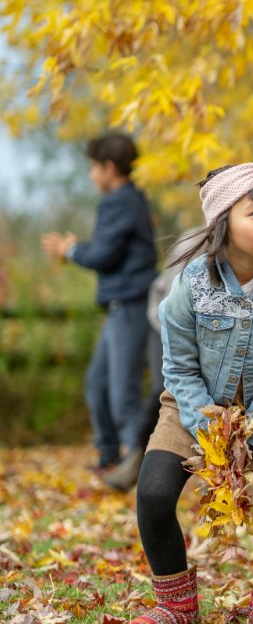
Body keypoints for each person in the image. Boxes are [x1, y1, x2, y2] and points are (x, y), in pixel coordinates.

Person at [133, 153, 253, 624]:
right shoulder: (190, 284)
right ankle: (176, 607)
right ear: (223, 222)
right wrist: (210, 436)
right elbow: (178, 366)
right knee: (153, 494)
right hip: (190, 406)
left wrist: (251, 435)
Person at [42, 132, 157, 474]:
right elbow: (110, 248)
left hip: (131, 304)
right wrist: (79, 248)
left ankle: (140, 461)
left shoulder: (120, 200)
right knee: (97, 384)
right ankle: (110, 456)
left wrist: (71, 250)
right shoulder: (130, 200)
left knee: (124, 392)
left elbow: (104, 255)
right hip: (120, 306)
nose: (92, 175)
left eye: (94, 167)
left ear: (109, 168)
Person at [103, 229, 199, 492]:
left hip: (202, 333)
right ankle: (135, 459)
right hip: (163, 324)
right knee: (163, 390)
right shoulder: (193, 238)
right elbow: (168, 290)